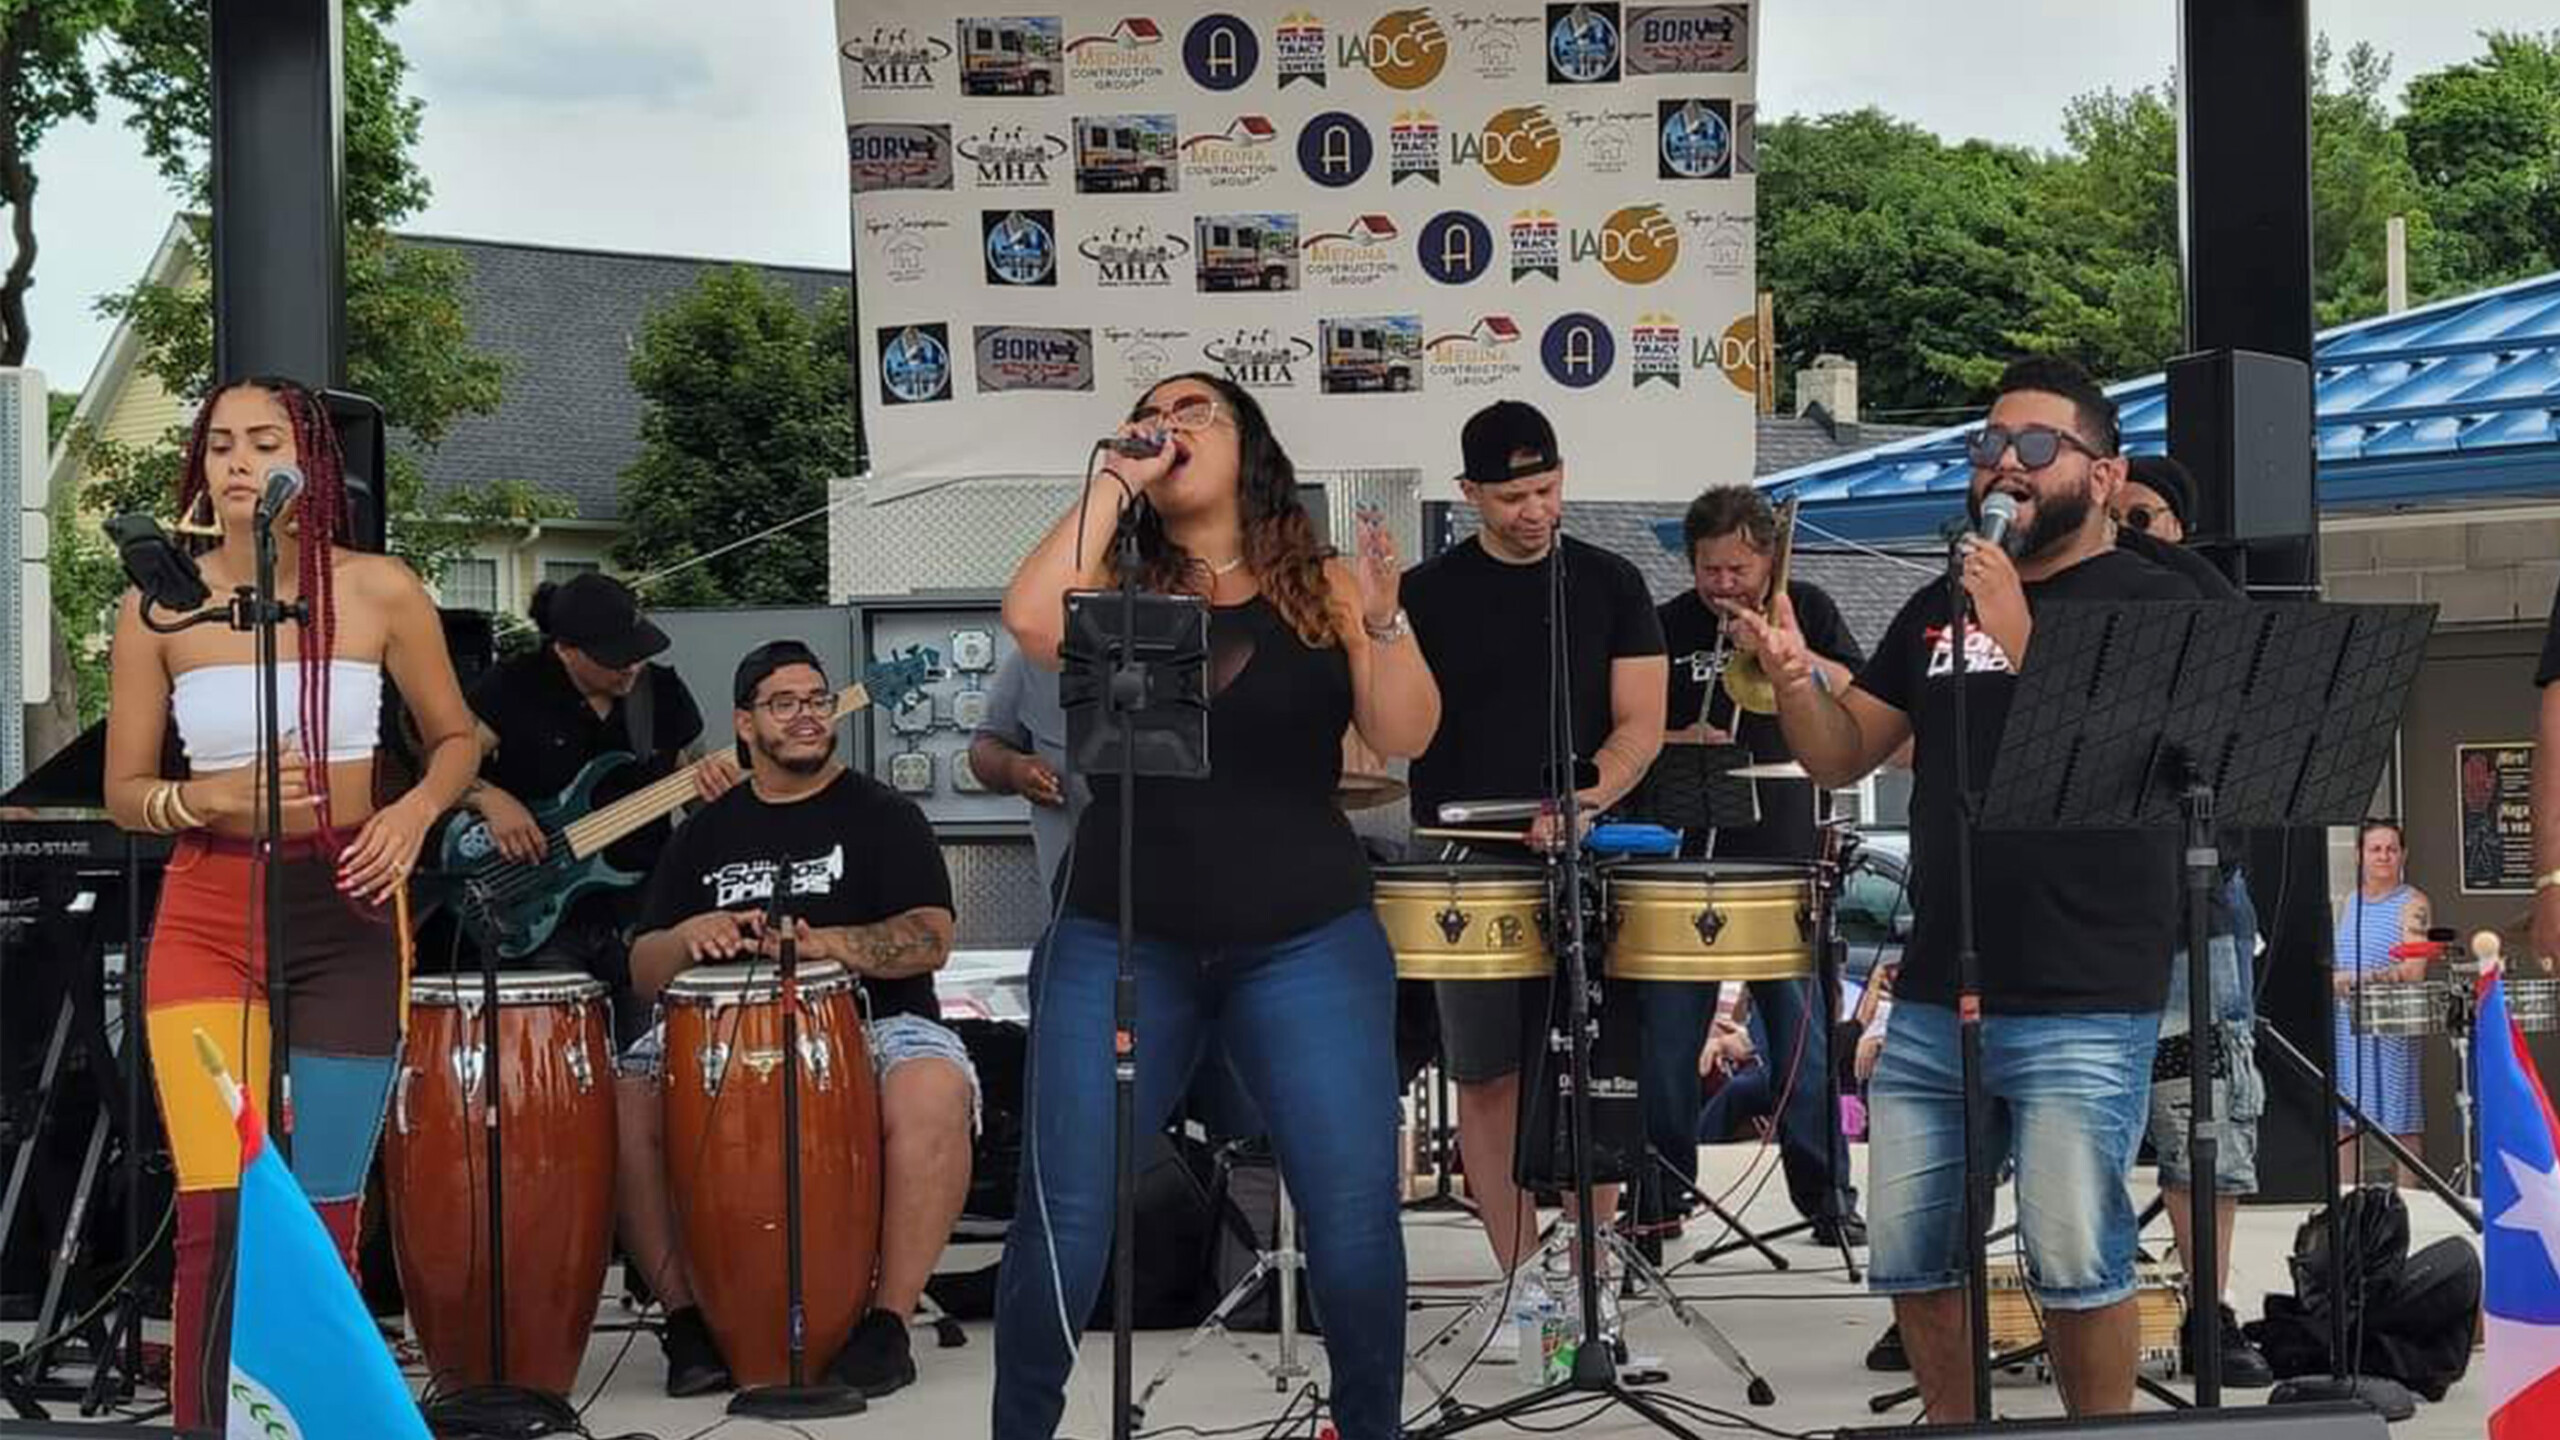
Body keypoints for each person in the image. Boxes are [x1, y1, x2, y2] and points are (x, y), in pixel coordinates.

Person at [1739, 356, 2200, 1420]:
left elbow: (2133, 750)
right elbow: (1843, 755)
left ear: (2102, 471)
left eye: (2035, 448)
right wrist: (1797, 677)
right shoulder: (1938, 603)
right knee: (1913, 1253)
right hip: (1942, 980)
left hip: (2086, 985)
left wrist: (2017, 623)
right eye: (1988, 445)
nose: (2004, 465)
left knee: (2076, 1254)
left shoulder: (2153, 595)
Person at [992, 372, 1438, 1440]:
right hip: (1121, 928)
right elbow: (1024, 617)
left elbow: (1406, 733)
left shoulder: (1323, 583)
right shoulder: (1112, 582)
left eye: (1200, 412)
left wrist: (1384, 622)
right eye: (1159, 410)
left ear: (1252, 446)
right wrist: (1113, 477)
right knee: (1067, 1215)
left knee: (1349, 1218)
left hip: (1305, 934)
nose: (1174, 425)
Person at [104, 376, 481, 1428]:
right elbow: (125, 792)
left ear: (306, 462)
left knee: (325, 1207)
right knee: (213, 1205)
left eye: (261, 440)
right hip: (209, 907)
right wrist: (200, 797)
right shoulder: (156, 606)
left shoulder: (378, 589)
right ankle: (203, 1427)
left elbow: (458, 737)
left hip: (349, 902)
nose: (236, 461)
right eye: (218, 442)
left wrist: (409, 819)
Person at [624, 639, 977, 1400]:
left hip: (874, 1025)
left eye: (817, 700)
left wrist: (824, 945)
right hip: (718, 1035)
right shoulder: (703, 833)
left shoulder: (885, 815)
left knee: (933, 1088)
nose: (807, 717)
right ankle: (687, 1325)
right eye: (784, 704)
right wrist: (688, 939)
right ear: (745, 724)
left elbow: (931, 939)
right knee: (624, 1097)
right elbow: (643, 968)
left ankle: (887, 1324)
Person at [1401, 399, 1667, 1332]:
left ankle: (1590, 1280)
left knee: (1591, 1067)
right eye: (1511, 495)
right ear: (1470, 493)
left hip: (1586, 855)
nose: (1534, 510)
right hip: (1466, 858)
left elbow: (1642, 722)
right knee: (1484, 1073)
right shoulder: (1424, 595)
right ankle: (1527, 1285)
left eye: (1547, 489)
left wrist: (1591, 794)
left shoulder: (1609, 580)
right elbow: (1389, 725)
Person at [459, 571, 741, 1395]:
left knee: (653, 1092)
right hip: (541, 920)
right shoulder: (509, 687)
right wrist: (491, 798)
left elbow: (688, 771)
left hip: (642, 910)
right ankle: (554, 1281)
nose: (629, 671)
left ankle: (670, 1289)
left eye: (636, 654)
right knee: (568, 1105)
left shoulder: (656, 690)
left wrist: (713, 789)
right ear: (566, 650)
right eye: (612, 659)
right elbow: (436, 761)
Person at [1640, 484, 1865, 1248]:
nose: (1725, 585)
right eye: (1710, 569)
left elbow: (1860, 698)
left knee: (1800, 1043)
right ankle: (1661, 1194)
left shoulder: (1810, 607)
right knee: (1667, 1045)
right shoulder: (1666, 626)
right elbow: (1627, 728)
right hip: (1686, 861)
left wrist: (1791, 657)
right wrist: (1675, 739)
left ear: (1769, 557)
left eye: (1738, 568)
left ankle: (1827, 1196)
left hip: (1783, 856)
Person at [2108, 454, 2274, 1386]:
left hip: (2193, 912)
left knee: (2199, 1112)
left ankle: (2208, 1309)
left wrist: (2144, 545)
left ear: (2178, 528)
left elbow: (2229, 618)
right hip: (2084, 916)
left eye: (2147, 518)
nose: (2128, 532)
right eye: (2118, 516)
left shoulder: (2201, 604)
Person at [2332, 817, 2431, 1185]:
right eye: (2376, 849)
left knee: (2400, 1123)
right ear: (2359, 855)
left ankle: (2410, 1209)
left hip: (2391, 1024)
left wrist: (2354, 979)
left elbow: (2413, 970)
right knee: (2345, 1122)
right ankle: (2346, 1206)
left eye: (2391, 849)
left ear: (2403, 854)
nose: (2384, 857)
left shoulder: (2414, 903)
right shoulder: (2351, 901)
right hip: (2348, 1025)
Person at [968, 649, 1082, 895]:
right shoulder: (1038, 655)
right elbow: (986, 745)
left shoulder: (1187, 652)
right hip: (1077, 906)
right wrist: (1013, 769)